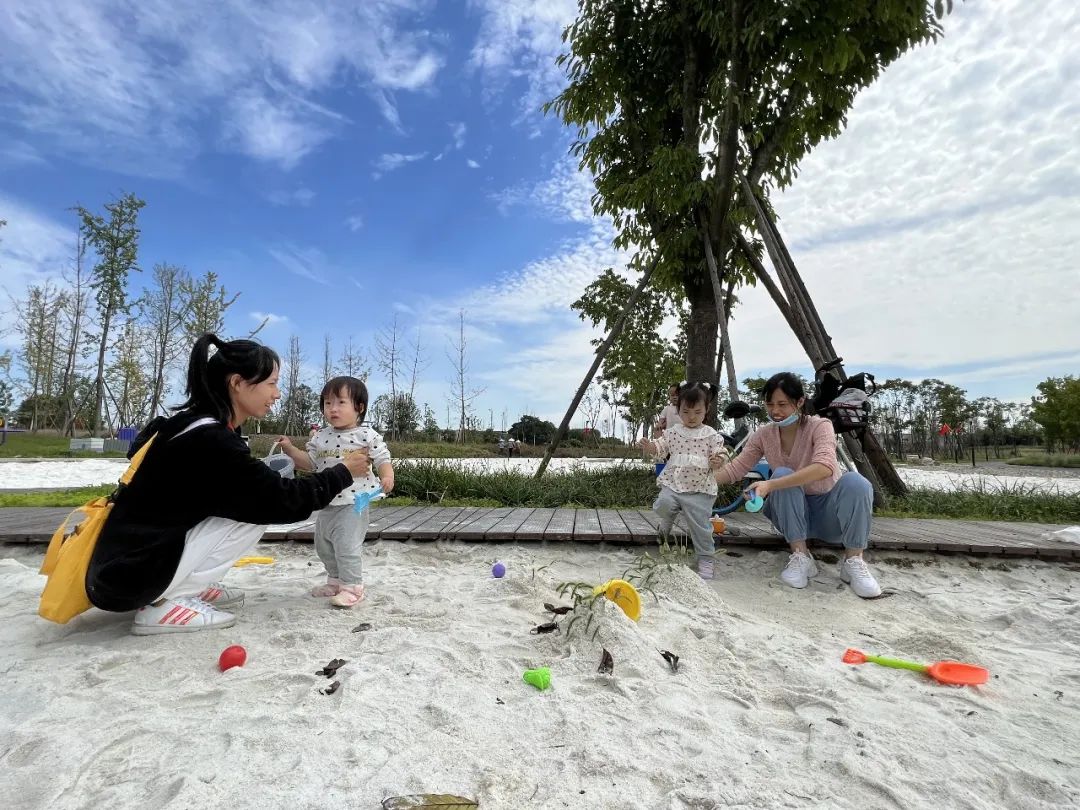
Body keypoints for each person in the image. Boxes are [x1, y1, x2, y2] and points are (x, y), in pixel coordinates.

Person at [85, 334, 371, 635]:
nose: (277, 394)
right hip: (130, 577)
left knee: (254, 501)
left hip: (120, 568)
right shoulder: (210, 439)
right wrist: (343, 471)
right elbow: (282, 502)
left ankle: (188, 586)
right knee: (257, 512)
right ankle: (165, 604)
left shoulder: (194, 423)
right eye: (271, 383)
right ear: (237, 383)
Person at [711, 372, 881, 598]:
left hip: (829, 516)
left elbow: (825, 466)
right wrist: (692, 481)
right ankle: (800, 556)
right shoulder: (764, 434)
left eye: (782, 404)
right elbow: (736, 468)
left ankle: (853, 561)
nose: (775, 411)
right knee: (782, 472)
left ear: (800, 402)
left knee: (857, 482)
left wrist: (770, 485)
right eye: (770, 404)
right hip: (792, 518)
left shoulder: (821, 426)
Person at [278, 376, 394, 608]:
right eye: (327, 403)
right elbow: (309, 463)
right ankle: (335, 580)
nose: (333, 408)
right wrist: (290, 449)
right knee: (324, 544)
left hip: (355, 501)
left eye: (341, 402)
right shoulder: (321, 436)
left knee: (347, 544)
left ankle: (352, 586)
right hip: (327, 500)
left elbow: (382, 457)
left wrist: (387, 475)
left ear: (359, 407)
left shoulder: (366, 435)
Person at [638, 381, 723, 580]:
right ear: (678, 410)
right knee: (663, 505)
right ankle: (668, 518)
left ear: (706, 410)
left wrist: (718, 459)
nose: (691, 417)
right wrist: (649, 446)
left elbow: (721, 453)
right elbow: (660, 447)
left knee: (701, 526)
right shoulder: (673, 432)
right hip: (674, 484)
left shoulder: (712, 436)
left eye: (697, 412)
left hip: (701, 489)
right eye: (686, 412)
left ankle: (706, 558)